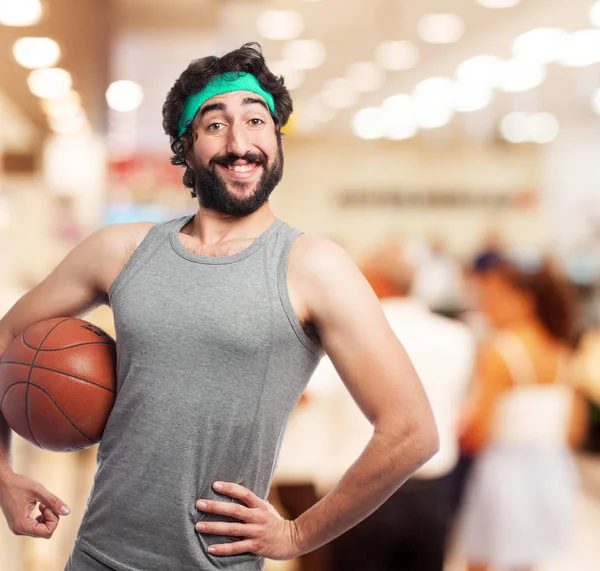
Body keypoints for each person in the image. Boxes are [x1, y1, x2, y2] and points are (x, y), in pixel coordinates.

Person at [0, 43, 438, 571]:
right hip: (97, 555)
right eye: (214, 125)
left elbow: (412, 430)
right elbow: (4, 339)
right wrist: (2, 475)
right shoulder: (120, 250)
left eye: (257, 121)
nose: (239, 142)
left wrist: (299, 533)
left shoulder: (314, 267)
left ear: (276, 140)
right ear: (185, 147)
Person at [323, 242, 476, 571]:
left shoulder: (347, 332)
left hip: (359, 490)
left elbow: (308, 393)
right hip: (431, 488)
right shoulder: (457, 336)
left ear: (375, 280)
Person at [457, 254, 588, 571]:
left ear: (524, 300)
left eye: (493, 297)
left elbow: (481, 429)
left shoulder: (499, 351)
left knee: (481, 557)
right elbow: (574, 428)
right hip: (553, 470)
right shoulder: (558, 348)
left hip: (504, 471)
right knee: (526, 560)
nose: (485, 305)